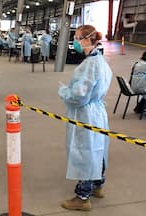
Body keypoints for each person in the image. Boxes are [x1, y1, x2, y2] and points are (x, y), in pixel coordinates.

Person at [58, 25, 112, 211]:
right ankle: (98, 185)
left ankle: (83, 196)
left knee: (85, 151)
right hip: (97, 112)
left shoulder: (89, 65)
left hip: (86, 113)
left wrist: (65, 92)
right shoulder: (101, 61)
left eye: (77, 37)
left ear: (87, 40)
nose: (75, 41)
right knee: (99, 149)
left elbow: (79, 95)